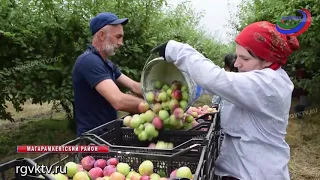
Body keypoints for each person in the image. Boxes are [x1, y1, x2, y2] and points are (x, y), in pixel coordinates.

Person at [152, 21, 299, 180]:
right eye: (237, 56)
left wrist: (176, 50)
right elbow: (221, 85)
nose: (237, 63)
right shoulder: (265, 78)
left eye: (245, 58)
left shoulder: (269, 85)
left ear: (268, 60)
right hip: (243, 169)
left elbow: (216, 80)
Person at [72, 12, 145, 137]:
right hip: (93, 139)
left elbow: (134, 86)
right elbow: (119, 101)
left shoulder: (106, 63)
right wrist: (153, 107)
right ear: (101, 35)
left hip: (108, 134)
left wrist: (157, 94)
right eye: (118, 36)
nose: (121, 42)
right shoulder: (89, 61)